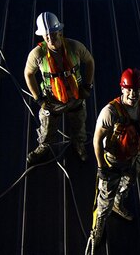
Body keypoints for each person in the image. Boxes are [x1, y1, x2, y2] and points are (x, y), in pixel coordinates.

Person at [89, 68, 140, 247]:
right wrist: (102, 167)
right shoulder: (110, 112)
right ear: (123, 89)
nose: (133, 94)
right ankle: (97, 227)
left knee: (127, 185)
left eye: (137, 89)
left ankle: (118, 204)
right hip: (113, 161)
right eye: (129, 89)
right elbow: (97, 140)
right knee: (104, 199)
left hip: (133, 158)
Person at [24, 11, 95, 164]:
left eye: (53, 33)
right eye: (46, 35)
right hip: (52, 101)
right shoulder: (37, 54)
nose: (50, 38)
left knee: (79, 125)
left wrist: (88, 86)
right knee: (47, 128)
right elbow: (28, 74)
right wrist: (38, 98)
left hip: (75, 97)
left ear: (60, 31)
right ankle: (44, 146)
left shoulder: (75, 47)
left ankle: (79, 144)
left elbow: (89, 61)